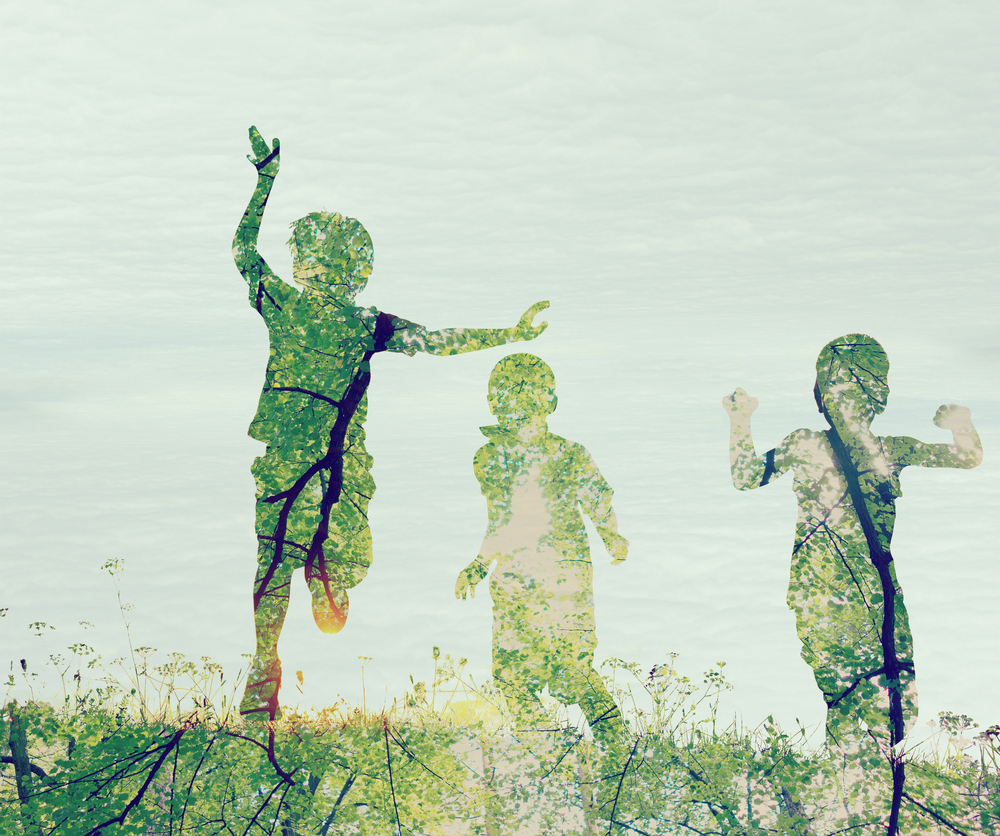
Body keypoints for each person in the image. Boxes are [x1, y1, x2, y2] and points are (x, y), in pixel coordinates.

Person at [233, 127, 550, 720]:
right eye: (316, 258)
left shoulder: (358, 322)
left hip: (335, 456)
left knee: (312, 548)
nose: (322, 271)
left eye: (332, 261)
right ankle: (264, 663)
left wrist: (510, 332)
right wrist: (264, 182)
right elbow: (245, 257)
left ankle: (319, 586)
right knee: (273, 556)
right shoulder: (301, 309)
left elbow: (433, 340)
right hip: (291, 452)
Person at [722, 334, 982, 757]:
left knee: (871, 701)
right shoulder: (874, 449)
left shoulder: (835, 445)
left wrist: (740, 420)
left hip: (856, 591)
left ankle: (857, 783)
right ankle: (857, 782)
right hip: (835, 591)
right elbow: (966, 457)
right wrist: (960, 424)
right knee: (864, 698)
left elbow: (747, 475)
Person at [455, 354, 628, 745]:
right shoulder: (514, 456)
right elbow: (593, 503)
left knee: (531, 676)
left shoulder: (498, 456)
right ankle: (578, 749)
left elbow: (504, 519)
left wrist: (481, 565)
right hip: (547, 574)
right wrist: (480, 566)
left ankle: (558, 749)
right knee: (556, 673)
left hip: (540, 576)